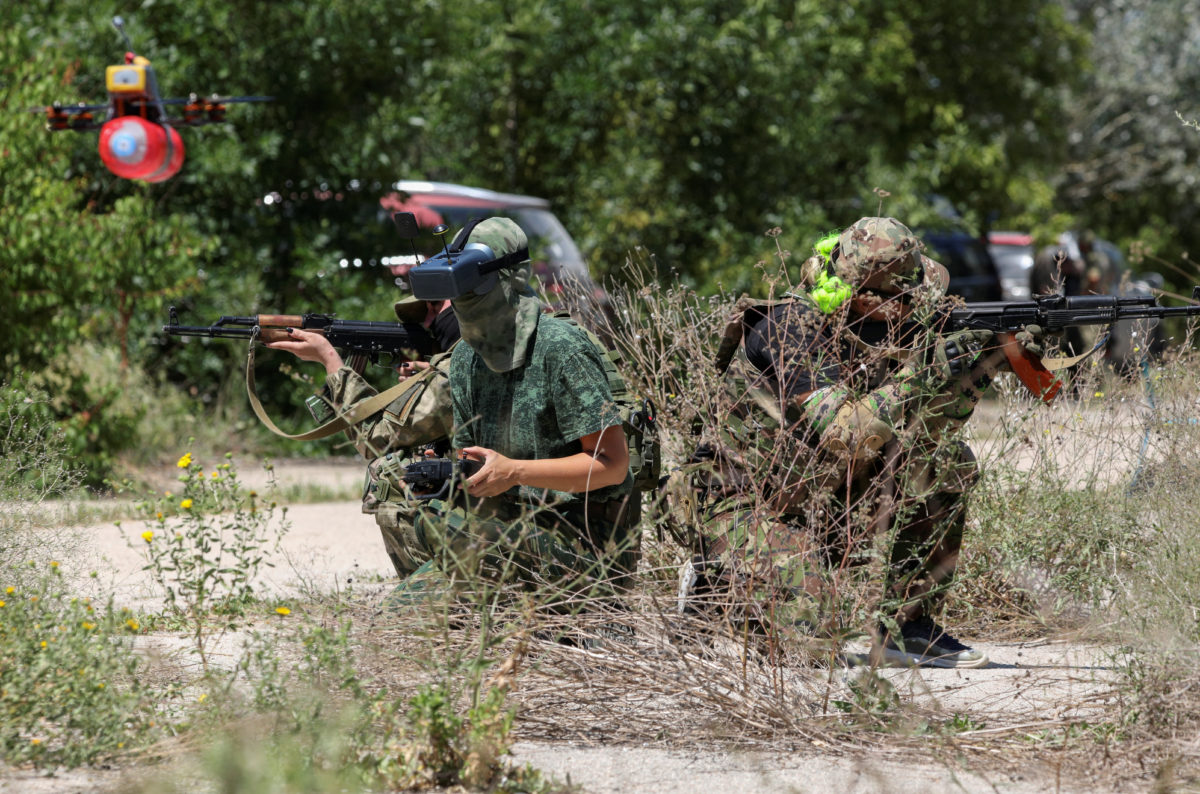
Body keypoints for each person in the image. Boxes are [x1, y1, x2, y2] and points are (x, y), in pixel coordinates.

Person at [676, 217, 1044, 668]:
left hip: (825, 497)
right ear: (867, 299)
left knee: (948, 462)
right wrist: (922, 372)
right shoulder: (790, 327)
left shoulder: (889, 329)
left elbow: (924, 437)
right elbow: (846, 434)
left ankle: (907, 625)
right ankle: (715, 586)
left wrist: (975, 370)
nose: (917, 305)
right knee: (813, 639)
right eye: (905, 298)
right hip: (739, 501)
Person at [408, 216, 641, 608]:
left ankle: (598, 618)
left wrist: (514, 472)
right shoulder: (466, 358)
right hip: (504, 530)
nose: (466, 300)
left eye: (474, 286)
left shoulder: (561, 349)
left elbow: (613, 465)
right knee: (404, 614)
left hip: (585, 543)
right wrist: (450, 475)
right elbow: (476, 465)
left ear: (512, 278)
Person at [265, 293, 460, 580]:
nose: (428, 321)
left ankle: (430, 592)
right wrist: (425, 377)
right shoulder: (480, 353)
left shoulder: (462, 364)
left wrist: (331, 360)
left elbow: (375, 440)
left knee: (389, 471)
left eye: (435, 306)